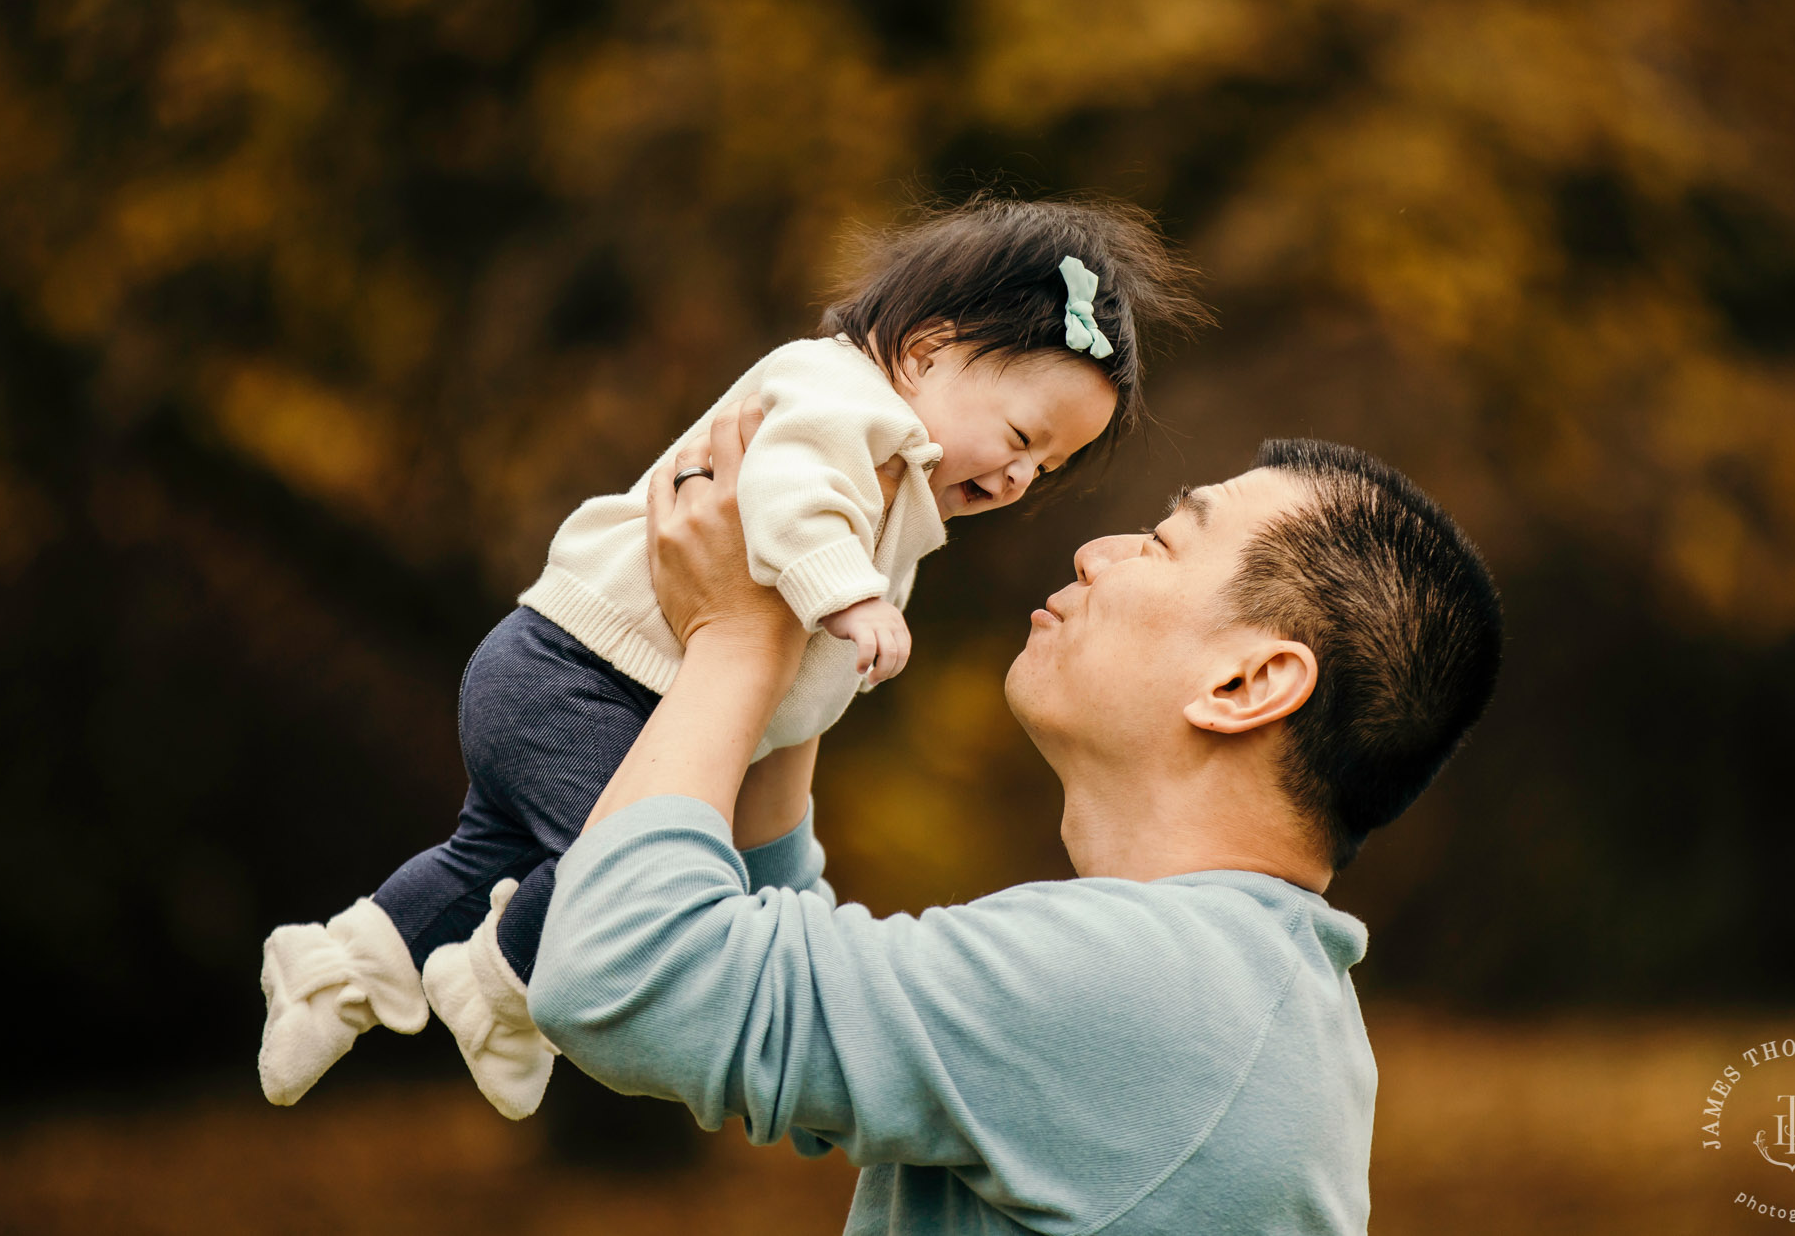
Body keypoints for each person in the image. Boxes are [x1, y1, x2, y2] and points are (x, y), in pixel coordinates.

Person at [255, 196, 1207, 1119]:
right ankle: (498, 984)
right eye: (1019, 437)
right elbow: (788, 496)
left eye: (1044, 468)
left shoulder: (895, 477)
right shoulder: (843, 401)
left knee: (483, 854)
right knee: (618, 863)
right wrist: (851, 596)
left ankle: (337, 968)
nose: (1014, 478)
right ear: (923, 353)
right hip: (580, 676)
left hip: (574, 679)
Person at [527, 405, 1503, 1234]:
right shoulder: (1224, 986)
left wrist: (732, 639)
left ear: (1245, 682)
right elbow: (791, 1026)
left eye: (1163, 542)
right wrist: (798, 653)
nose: (1094, 549)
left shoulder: (1138, 985)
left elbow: (623, 975)